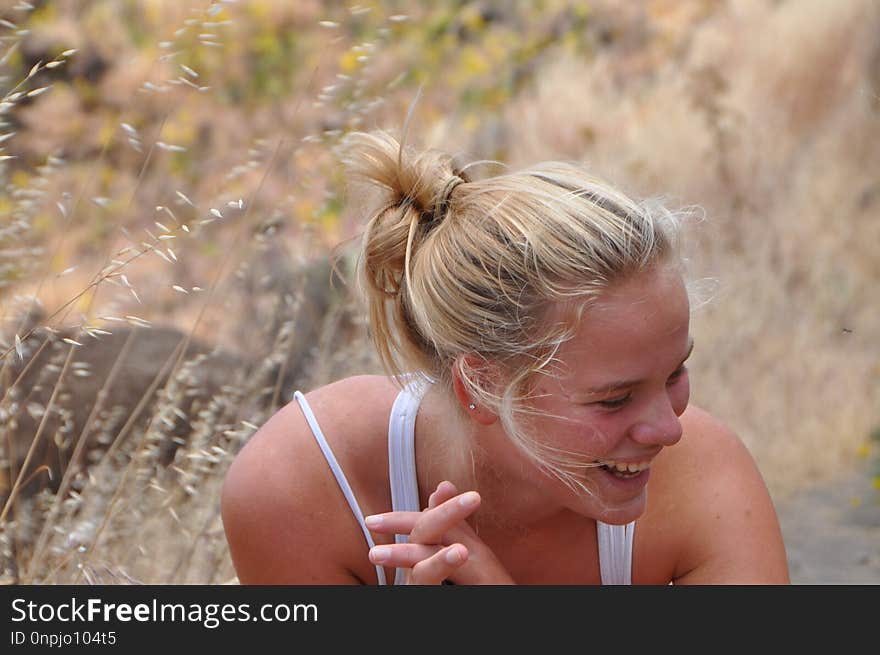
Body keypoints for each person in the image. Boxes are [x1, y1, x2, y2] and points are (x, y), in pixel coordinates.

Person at [220, 129, 790, 585]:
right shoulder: (306, 489)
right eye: (615, 398)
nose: (670, 429)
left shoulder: (702, 484)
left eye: (675, 373)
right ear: (482, 387)